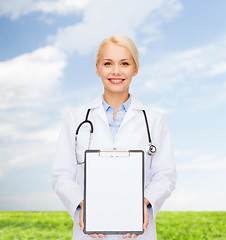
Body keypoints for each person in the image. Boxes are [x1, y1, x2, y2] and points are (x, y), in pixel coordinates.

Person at [50, 35, 176, 239]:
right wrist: (83, 204)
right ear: (98, 68)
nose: (116, 71)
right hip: (89, 230)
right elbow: (61, 175)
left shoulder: (154, 120)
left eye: (124, 63)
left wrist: (144, 202)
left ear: (135, 69)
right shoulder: (76, 119)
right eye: (108, 63)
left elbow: (165, 176)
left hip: (138, 231)